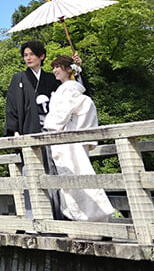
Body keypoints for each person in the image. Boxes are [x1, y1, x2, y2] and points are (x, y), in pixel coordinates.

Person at [43, 54, 115, 222]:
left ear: (69, 69)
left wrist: (50, 127)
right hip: (72, 140)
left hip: (67, 141)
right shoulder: (72, 90)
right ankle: (90, 219)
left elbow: (57, 118)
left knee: (75, 178)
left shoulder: (69, 90)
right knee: (77, 178)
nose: (54, 71)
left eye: (58, 67)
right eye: (53, 67)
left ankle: (90, 219)